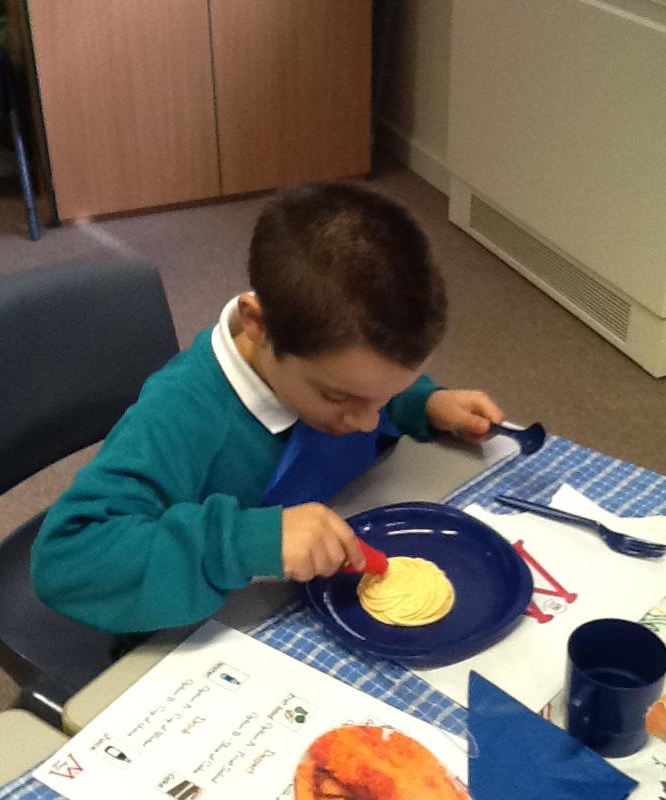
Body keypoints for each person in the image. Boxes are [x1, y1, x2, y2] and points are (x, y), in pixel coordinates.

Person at [32, 181, 503, 634]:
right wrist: (247, 542)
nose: (367, 422)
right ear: (258, 324)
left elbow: (372, 388)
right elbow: (65, 561)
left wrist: (424, 402)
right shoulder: (180, 415)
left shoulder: (339, 371)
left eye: (384, 397)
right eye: (339, 398)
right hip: (208, 625)